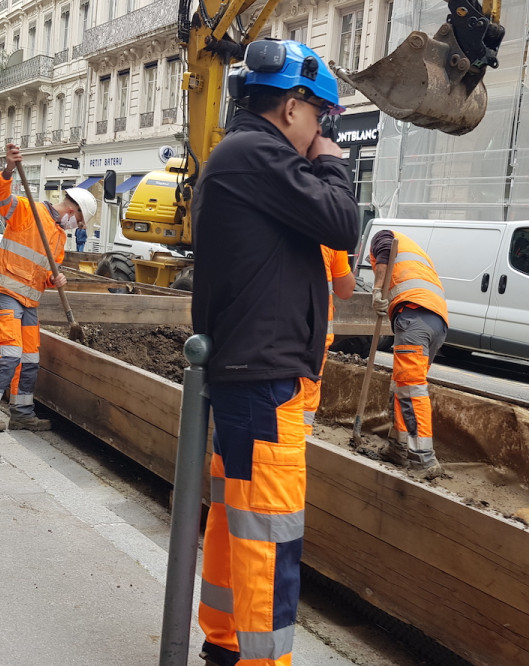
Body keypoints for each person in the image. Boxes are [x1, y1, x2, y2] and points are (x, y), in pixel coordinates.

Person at [191, 39, 360, 666]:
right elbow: (343, 223)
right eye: (320, 119)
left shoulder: (242, 157)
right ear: (292, 107)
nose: (322, 134)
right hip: (265, 387)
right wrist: (334, 161)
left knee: (241, 531)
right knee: (269, 542)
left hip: (251, 380)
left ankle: (226, 646)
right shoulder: (258, 155)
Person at [0, 143, 98, 433]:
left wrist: (54, 280)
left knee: (29, 359)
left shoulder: (60, 237)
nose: (77, 226)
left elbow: (47, 272)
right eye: (80, 221)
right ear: (73, 210)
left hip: (29, 301)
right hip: (7, 293)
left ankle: (22, 413)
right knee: (9, 353)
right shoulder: (28, 210)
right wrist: (9, 168)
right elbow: (0, 199)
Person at [368, 229, 449, 480]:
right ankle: (398, 447)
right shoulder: (414, 252)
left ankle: (423, 459)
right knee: (403, 385)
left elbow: (384, 251)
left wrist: (377, 290)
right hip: (437, 321)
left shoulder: (383, 236)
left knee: (412, 389)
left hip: (414, 315)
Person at [302, 246, 355, 432]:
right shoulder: (331, 236)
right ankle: (302, 442)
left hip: (277, 331)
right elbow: (346, 290)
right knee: (304, 402)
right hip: (316, 334)